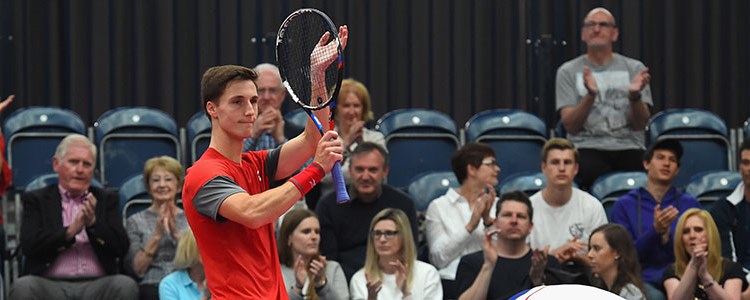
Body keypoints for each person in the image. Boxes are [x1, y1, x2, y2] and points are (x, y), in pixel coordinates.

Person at [182, 25, 349, 299]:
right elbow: (253, 213)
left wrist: (317, 76)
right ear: (212, 109)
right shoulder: (203, 174)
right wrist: (317, 169)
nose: (249, 111)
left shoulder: (256, 163)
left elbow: (311, 139)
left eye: (253, 100)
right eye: (237, 102)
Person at [10, 134, 137, 299]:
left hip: (98, 284)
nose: (80, 170)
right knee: (23, 287)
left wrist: (93, 225)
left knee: (125, 285)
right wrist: (69, 232)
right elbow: (29, 245)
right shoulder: (37, 199)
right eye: (73, 162)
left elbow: (121, 248)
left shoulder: (106, 199)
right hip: (49, 284)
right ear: (56, 164)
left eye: (86, 164)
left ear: (93, 170)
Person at [555, 7, 653, 190]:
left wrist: (634, 96)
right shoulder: (567, 71)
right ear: (583, 34)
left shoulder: (634, 68)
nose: (597, 29)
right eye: (591, 25)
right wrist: (590, 96)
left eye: (603, 25)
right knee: (587, 170)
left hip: (629, 147)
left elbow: (641, 124)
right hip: (585, 147)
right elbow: (570, 125)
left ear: (614, 34)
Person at [611, 139, 701, 300]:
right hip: (642, 279)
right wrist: (655, 232)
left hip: (682, 276)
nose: (666, 163)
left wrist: (668, 238)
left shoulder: (690, 204)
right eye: (660, 157)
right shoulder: (624, 205)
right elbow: (624, 257)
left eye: (672, 160)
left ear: (677, 170)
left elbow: (700, 249)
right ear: (646, 164)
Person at [316, 142, 418, 281]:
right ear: (350, 170)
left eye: (373, 170)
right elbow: (329, 259)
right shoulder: (328, 205)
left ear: (385, 172)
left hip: (394, 278)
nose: (365, 176)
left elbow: (410, 252)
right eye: (359, 169)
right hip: (343, 282)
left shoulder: (403, 204)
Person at [455, 190, 564, 300]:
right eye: (507, 215)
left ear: (530, 226)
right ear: (495, 223)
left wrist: (538, 281)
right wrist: (488, 266)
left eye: (521, 216)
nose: (514, 221)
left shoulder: (547, 264)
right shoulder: (471, 263)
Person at [424, 142, 498, 298]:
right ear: (471, 169)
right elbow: (438, 259)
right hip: (452, 283)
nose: (497, 169)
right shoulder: (439, 207)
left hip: (493, 279)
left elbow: (505, 251)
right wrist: (470, 226)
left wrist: (487, 222)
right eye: (491, 164)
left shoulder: (498, 204)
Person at [527, 138, 608, 267]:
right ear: (544, 167)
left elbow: (603, 264)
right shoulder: (528, 208)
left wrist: (577, 257)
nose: (562, 168)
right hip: (540, 280)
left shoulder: (592, 206)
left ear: (576, 168)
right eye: (555, 162)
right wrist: (554, 256)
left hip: (582, 278)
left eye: (567, 162)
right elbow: (521, 265)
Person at [125, 156, 189, 299]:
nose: (162, 185)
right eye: (155, 180)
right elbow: (137, 269)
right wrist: (157, 235)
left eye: (168, 179)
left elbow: (197, 261)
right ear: (148, 187)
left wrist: (176, 234)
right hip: (151, 285)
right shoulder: (135, 221)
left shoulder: (190, 219)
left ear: (178, 186)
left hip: (186, 286)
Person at [349, 208, 442, 300]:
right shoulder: (361, 279)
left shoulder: (427, 274)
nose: (382, 239)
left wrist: (406, 294)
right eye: (377, 233)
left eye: (389, 233)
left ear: (404, 236)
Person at [663, 208, 746, 300]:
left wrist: (705, 277)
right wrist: (693, 267)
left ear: (710, 234)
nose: (692, 236)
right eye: (686, 232)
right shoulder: (672, 271)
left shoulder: (730, 268)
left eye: (698, 230)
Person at [277, 209, 349, 300]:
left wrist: (321, 285)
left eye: (317, 232)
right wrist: (298, 288)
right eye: (306, 231)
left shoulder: (333, 268)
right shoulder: (277, 273)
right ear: (289, 238)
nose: (314, 237)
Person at [711, 139, 750, 271]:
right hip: (738, 283)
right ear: (740, 167)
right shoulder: (723, 209)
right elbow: (727, 261)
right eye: (746, 163)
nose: (749, 168)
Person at [587, 223, 647, 299]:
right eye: (590, 248)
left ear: (617, 253)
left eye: (597, 248)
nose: (590, 255)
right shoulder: (598, 290)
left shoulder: (630, 294)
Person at [242, 63, 288, 152]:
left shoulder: (298, 129)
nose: (266, 97)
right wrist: (253, 134)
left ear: (282, 95)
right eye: (261, 91)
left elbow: (310, 165)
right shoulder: (236, 126)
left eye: (273, 90)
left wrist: (281, 139)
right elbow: (227, 163)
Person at [158, 229, 208, 300]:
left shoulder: (222, 280)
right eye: (207, 247)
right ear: (190, 250)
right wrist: (206, 296)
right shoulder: (169, 284)